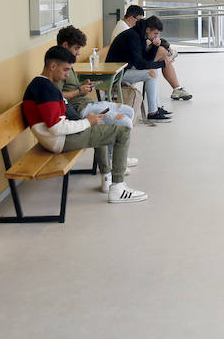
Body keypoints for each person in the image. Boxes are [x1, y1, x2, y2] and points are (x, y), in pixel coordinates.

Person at [24, 46, 147, 202]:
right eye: (65, 70)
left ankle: (107, 179)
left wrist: (89, 122)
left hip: (56, 138)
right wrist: (87, 122)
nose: (67, 75)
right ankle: (118, 187)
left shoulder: (42, 85)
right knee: (122, 132)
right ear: (53, 66)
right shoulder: (45, 88)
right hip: (58, 140)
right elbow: (56, 128)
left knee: (100, 125)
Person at [55, 26, 138, 166]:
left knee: (129, 111)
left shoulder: (68, 63)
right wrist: (79, 92)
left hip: (88, 103)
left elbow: (70, 87)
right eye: (76, 49)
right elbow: (57, 97)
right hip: (80, 110)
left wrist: (83, 84)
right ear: (65, 45)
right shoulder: (57, 67)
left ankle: (115, 157)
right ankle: (115, 162)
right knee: (125, 123)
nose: (78, 54)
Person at [106, 14, 177, 123]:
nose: (156, 37)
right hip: (116, 74)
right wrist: (162, 64)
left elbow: (146, 59)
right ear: (148, 29)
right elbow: (140, 64)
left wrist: (154, 46)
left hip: (125, 68)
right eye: (155, 34)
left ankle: (156, 108)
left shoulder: (141, 35)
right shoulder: (133, 36)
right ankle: (153, 112)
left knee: (153, 71)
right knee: (151, 73)